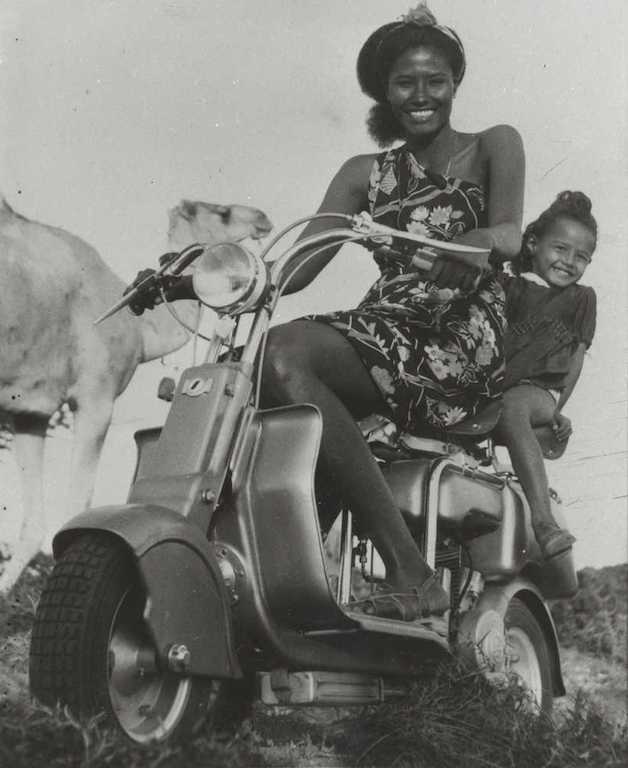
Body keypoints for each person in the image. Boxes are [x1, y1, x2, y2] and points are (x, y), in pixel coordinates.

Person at [260, 3, 525, 622]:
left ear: (456, 82)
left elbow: (511, 232)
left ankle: (409, 570)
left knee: (286, 354)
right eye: (405, 82)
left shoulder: (494, 145)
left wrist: (478, 243)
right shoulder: (364, 175)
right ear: (385, 90)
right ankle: (281, 571)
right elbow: (299, 266)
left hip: (460, 331)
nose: (422, 94)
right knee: (262, 361)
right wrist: (212, 276)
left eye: (435, 79)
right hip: (386, 324)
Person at [495, 191, 597, 560]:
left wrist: (556, 410)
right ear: (533, 244)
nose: (569, 262)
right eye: (560, 249)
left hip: (541, 391)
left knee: (512, 406)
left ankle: (543, 520)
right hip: (497, 390)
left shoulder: (582, 298)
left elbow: (576, 360)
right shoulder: (510, 287)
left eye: (582, 257)